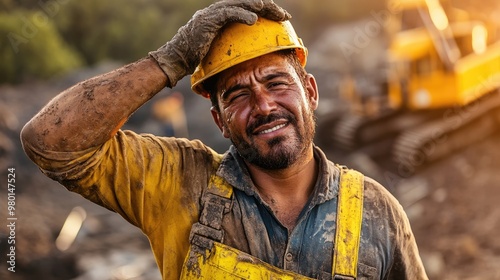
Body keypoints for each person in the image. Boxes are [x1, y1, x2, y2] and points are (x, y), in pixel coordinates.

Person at [20, 0, 428, 279]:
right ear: (218, 120)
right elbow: (49, 141)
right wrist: (172, 59)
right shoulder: (179, 181)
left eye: (276, 82)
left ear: (311, 92)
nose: (264, 105)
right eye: (237, 95)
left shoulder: (378, 212)